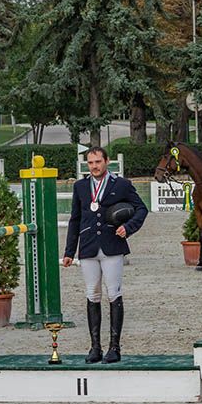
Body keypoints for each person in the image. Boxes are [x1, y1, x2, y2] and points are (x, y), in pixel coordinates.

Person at [63, 147, 148, 364]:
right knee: (92, 293)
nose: (94, 166)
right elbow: (75, 219)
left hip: (112, 245)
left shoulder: (121, 184)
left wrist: (128, 228)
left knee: (113, 292)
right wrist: (69, 252)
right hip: (88, 246)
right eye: (90, 163)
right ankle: (95, 347)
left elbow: (141, 209)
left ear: (106, 161)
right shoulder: (81, 186)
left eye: (98, 162)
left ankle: (114, 347)